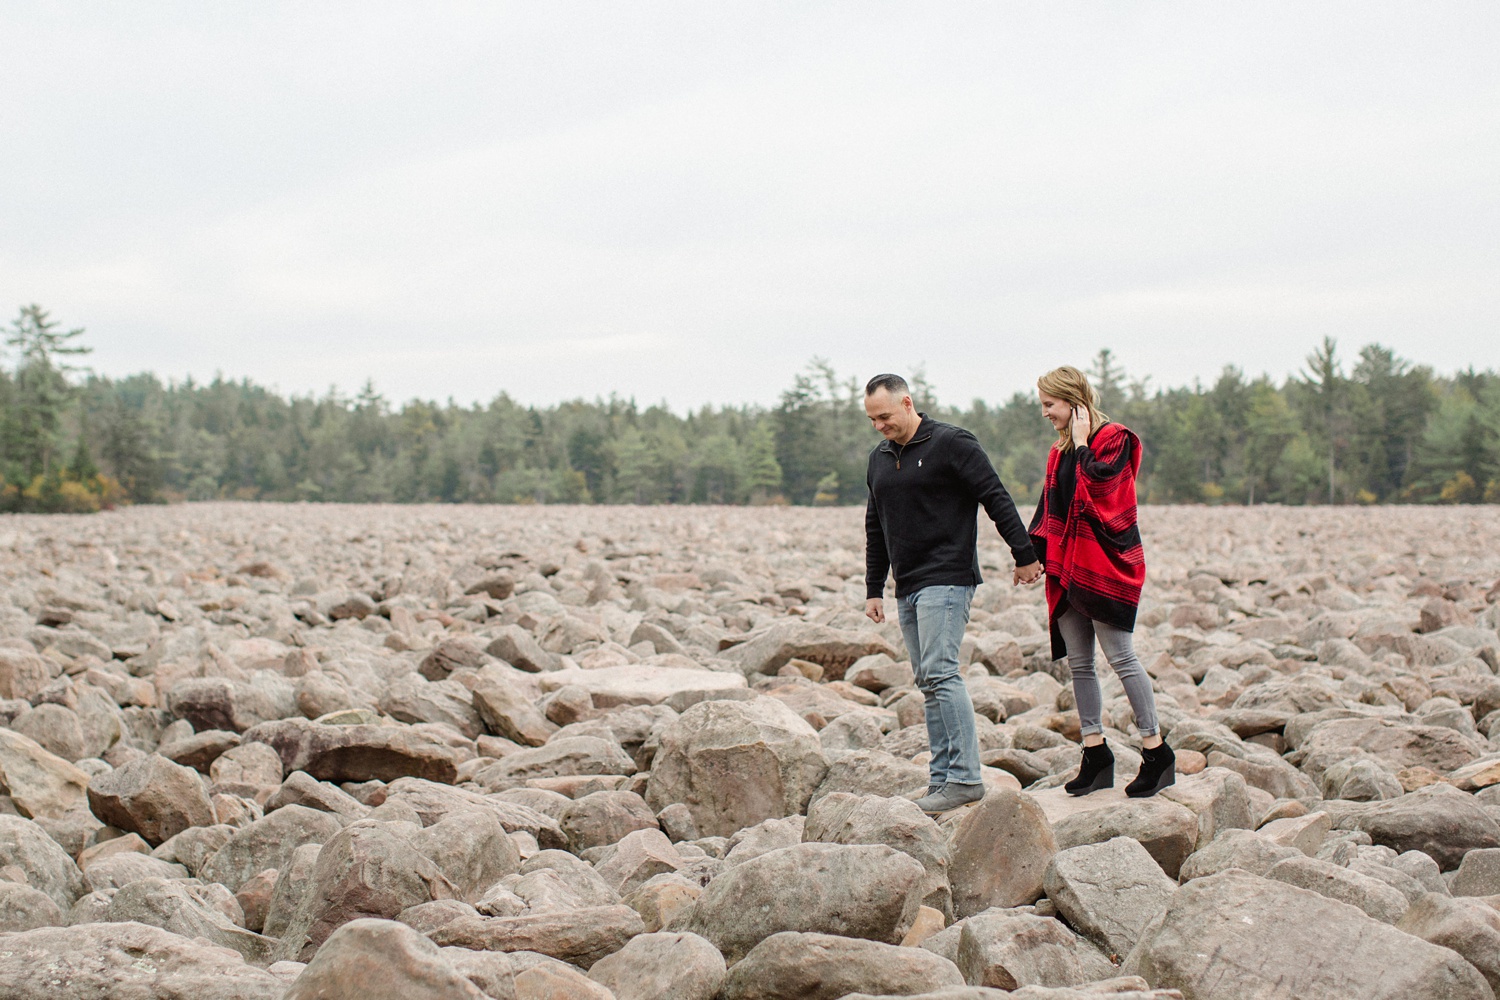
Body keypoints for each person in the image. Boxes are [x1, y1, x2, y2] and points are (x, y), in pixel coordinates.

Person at [863, 373, 1044, 814]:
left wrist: (1024, 554)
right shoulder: (880, 458)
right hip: (906, 584)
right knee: (927, 681)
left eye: (884, 416)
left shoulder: (952, 443)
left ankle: (965, 778)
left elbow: (995, 497)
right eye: (871, 419)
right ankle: (942, 779)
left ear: (907, 403)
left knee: (942, 673)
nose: (878, 426)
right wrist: (874, 588)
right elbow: (875, 525)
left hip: (947, 575)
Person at [1024, 365, 1175, 797]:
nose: (1044, 414)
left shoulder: (1116, 440)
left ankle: (1156, 750)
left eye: (1049, 405)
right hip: (1067, 565)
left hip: (1106, 564)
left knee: (1121, 657)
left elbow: (1107, 493)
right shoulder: (1059, 452)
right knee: (1079, 663)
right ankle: (1095, 753)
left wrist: (1086, 443)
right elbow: (1048, 510)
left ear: (1073, 402)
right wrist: (1030, 557)